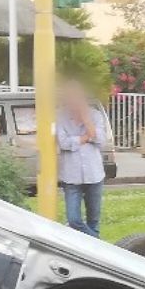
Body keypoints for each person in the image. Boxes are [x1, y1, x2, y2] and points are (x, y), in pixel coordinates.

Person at [57, 80, 107, 238]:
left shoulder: (95, 115)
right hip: (71, 177)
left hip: (94, 175)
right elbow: (64, 143)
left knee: (94, 220)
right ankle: (99, 244)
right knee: (73, 219)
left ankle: (94, 251)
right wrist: (86, 137)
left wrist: (86, 120)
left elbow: (100, 140)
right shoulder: (60, 117)